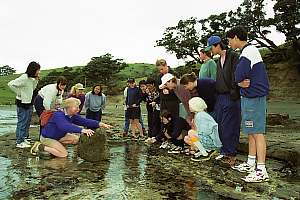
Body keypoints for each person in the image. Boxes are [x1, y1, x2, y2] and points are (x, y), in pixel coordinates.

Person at [226, 26, 270, 182]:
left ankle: (261, 169)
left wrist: (238, 82)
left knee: (258, 132)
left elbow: (238, 74)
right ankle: (251, 162)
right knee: (251, 131)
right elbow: (239, 77)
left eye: (229, 40)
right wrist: (239, 83)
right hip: (249, 96)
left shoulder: (248, 51)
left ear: (236, 37)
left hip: (254, 97)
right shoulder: (247, 51)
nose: (229, 43)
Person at [30, 98, 112, 158]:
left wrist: (100, 124)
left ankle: (56, 148)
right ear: (68, 107)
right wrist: (82, 130)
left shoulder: (72, 115)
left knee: (76, 139)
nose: (78, 109)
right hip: (48, 138)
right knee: (63, 154)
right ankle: (40, 146)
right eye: (76, 107)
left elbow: (84, 121)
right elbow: (64, 126)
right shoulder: (58, 115)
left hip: (59, 137)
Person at [205, 35, 241, 167]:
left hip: (231, 97)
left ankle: (231, 154)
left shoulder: (233, 56)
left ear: (217, 45)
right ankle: (225, 150)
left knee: (230, 126)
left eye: (211, 48)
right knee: (221, 125)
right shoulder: (218, 60)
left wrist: (233, 92)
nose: (210, 51)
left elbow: (236, 76)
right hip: (220, 97)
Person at [8, 61, 40, 148]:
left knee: (27, 122)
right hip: (22, 102)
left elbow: (32, 89)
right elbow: (10, 84)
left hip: (29, 102)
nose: (39, 72)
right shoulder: (24, 77)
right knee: (22, 122)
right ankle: (19, 142)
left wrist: (36, 80)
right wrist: (19, 93)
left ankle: (24, 138)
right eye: (38, 70)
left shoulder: (31, 79)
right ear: (33, 69)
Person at [184, 97, 222, 162]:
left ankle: (205, 154)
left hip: (214, 142)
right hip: (211, 140)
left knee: (191, 133)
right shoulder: (200, 114)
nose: (189, 107)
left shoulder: (200, 116)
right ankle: (206, 150)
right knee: (187, 138)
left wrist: (195, 131)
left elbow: (205, 132)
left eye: (190, 105)